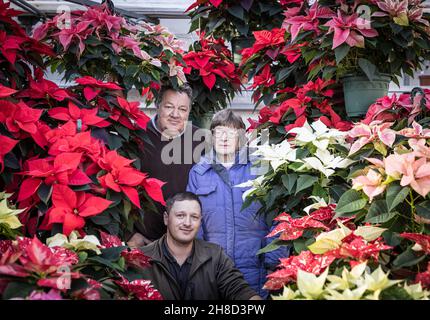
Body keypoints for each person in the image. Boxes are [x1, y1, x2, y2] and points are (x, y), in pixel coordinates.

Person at [186, 109, 288, 298]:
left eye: (231, 133)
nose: (224, 138)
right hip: (214, 268)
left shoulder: (261, 169)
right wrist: (197, 261)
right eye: (219, 133)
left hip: (255, 268)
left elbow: (280, 216)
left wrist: (274, 258)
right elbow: (190, 219)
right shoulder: (198, 172)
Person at [139, 192, 262, 300]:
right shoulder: (140, 258)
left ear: (200, 221)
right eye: (180, 215)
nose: (187, 223)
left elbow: (239, 290)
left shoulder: (215, 255)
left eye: (194, 217)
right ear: (166, 218)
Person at [128, 84, 207, 247]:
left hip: (187, 243)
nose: (175, 114)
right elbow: (118, 190)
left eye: (183, 109)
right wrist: (130, 234)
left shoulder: (200, 140)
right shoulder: (135, 137)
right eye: (169, 107)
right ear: (158, 106)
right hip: (144, 242)